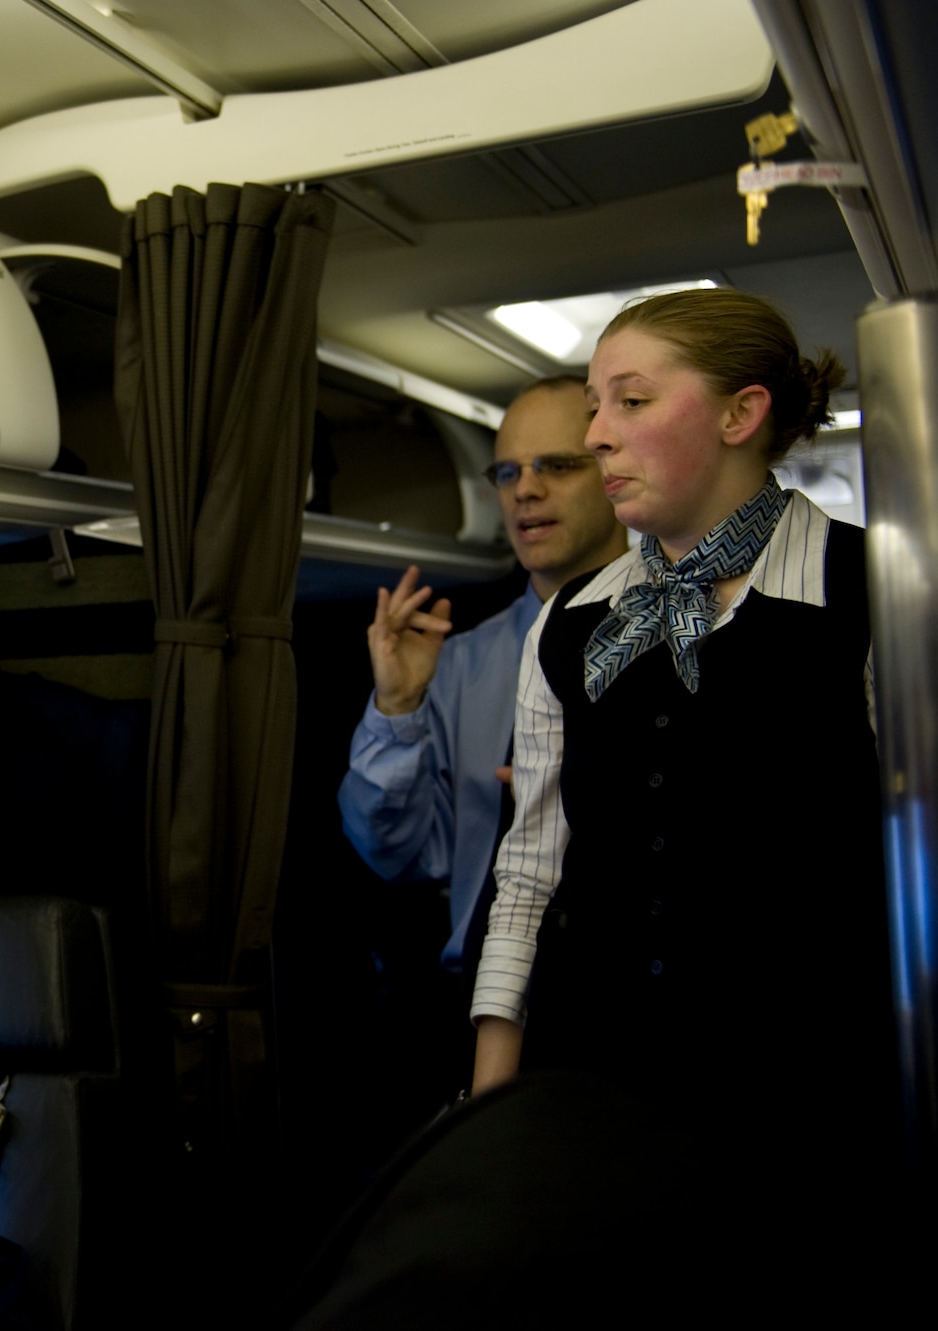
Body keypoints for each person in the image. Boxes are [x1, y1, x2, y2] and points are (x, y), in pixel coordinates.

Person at [467, 288, 896, 1300]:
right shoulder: (569, 621)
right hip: (592, 1094)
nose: (596, 434)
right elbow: (529, 872)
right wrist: (486, 1111)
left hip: (806, 1101)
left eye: (627, 401)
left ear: (738, 415)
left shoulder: (869, 593)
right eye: (592, 404)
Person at [338, 377, 625, 972]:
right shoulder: (457, 662)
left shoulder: (690, 636)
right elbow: (392, 853)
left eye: (557, 466)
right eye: (508, 472)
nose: (526, 490)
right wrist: (396, 709)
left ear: (613, 473)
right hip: (481, 989)